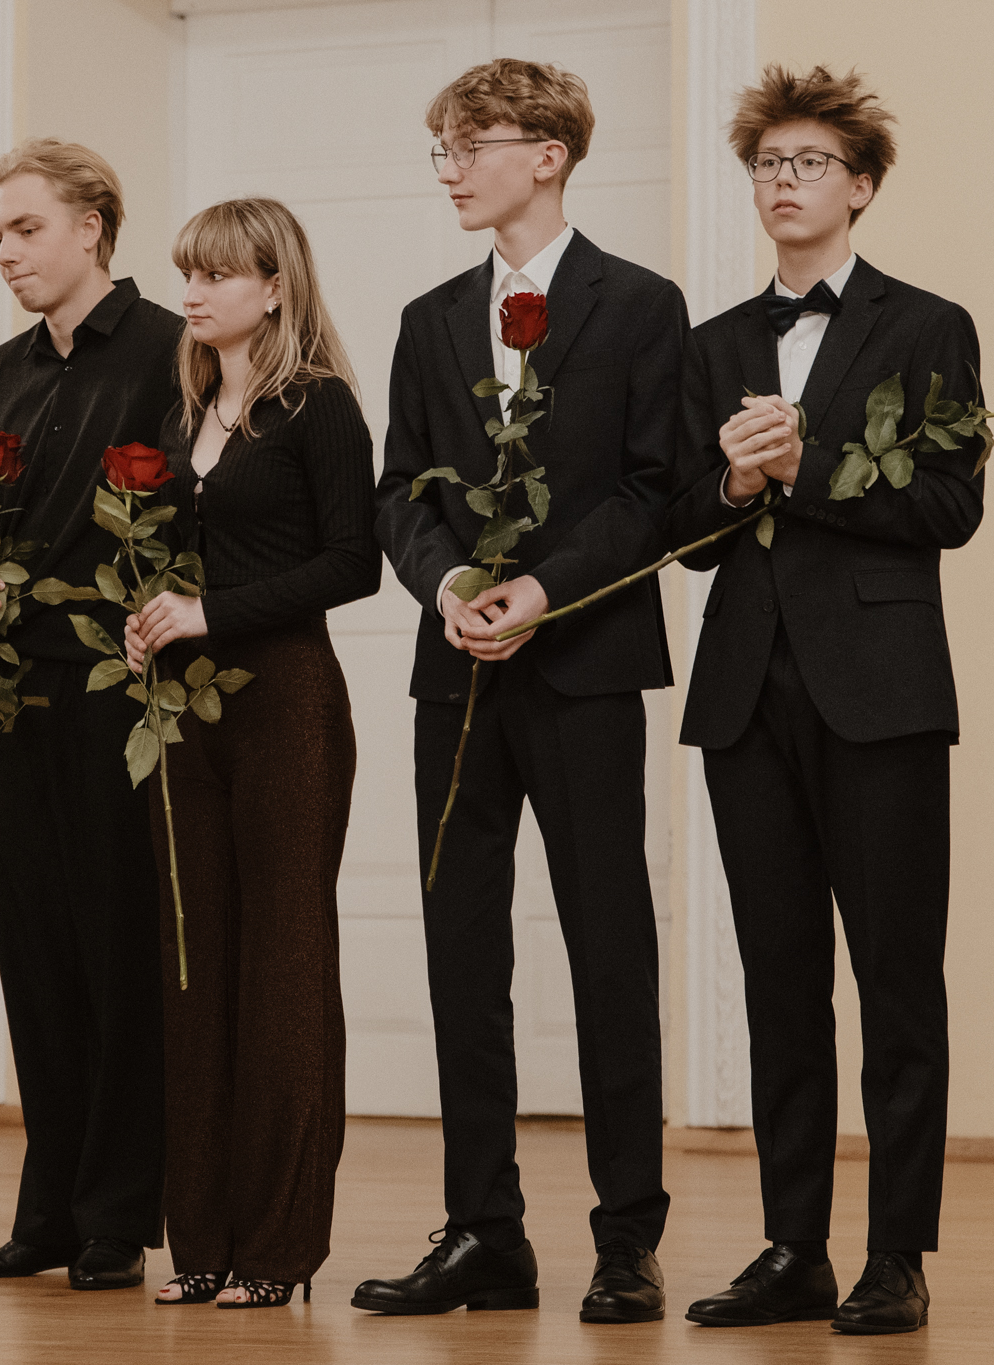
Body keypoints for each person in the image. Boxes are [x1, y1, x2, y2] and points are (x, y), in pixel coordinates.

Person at [358, 59, 686, 1322]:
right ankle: (481, 1234)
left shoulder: (640, 305)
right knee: (459, 948)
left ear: (545, 155)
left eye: (469, 146)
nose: (448, 170)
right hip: (456, 675)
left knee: (609, 946)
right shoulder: (428, 317)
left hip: (587, 666)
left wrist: (542, 591)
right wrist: (448, 586)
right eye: (439, 149)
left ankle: (626, 1239)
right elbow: (401, 490)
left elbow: (651, 491)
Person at [670, 67, 974, 1337]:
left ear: (859, 186)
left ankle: (894, 1254)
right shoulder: (709, 345)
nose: (780, 182)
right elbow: (685, 534)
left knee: (896, 981)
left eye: (805, 163)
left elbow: (947, 507)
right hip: (745, 698)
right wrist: (733, 490)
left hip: (881, 695)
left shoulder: (926, 325)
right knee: (776, 983)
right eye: (764, 164)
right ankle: (792, 1245)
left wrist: (806, 471)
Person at [122, 198, 377, 1309]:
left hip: (288, 708)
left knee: (282, 970)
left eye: (218, 274)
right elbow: (166, 562)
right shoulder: (177, 414)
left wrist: (209, 613)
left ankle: (278, 1248)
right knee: (194, 966)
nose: (193, 291)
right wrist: (146, 619)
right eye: (187, 271)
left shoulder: (318, 408)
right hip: (183, 715)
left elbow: (354, 564)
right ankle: (203, 1242)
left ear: (274, 287)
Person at [0, 139, 181, 1292]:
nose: (3, 252)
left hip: (114, 687)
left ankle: (117, 1213)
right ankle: (47, 1210)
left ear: (91, 227)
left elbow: (195, 511)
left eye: (24, 229)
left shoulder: (171, 351)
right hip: (11, 690)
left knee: (117, 952)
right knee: (33, 950)